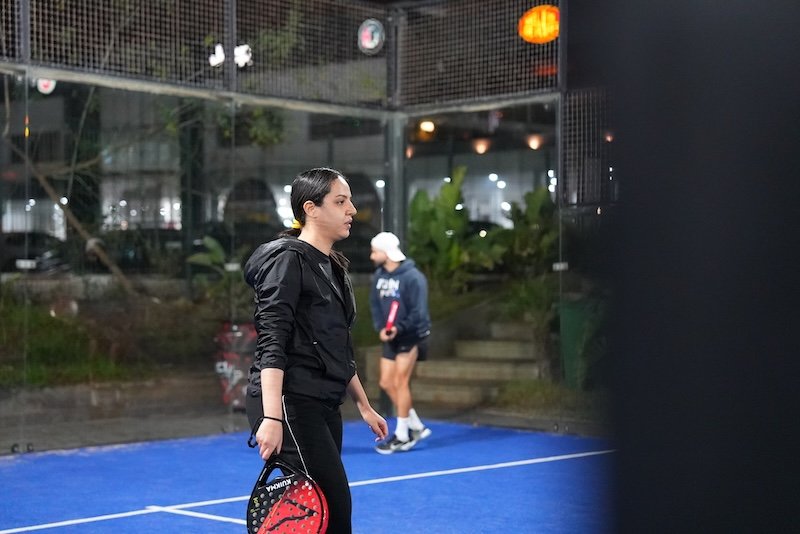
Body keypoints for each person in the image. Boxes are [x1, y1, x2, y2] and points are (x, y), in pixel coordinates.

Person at [244, 167, 388, 533]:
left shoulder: (333, 266)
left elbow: (336, 346)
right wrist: (271, 417)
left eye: (349, 201)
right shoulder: (287, 261)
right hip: (290, 402)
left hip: (322, 402)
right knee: (335, 512)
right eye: (340, 202)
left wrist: (364, 405)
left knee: (319, 515)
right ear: (311, 208)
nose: (352, 210)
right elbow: (272, 341)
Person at [369, 231, 433, 454]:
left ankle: (403, 435)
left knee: (400, 381)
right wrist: (382, 328)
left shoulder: (414, 277)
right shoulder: (379, 276)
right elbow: (375, 305)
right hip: (391, 336)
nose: (371, 256)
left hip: (411, 335)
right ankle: (416, 426)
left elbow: (419, 313)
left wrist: (399, 328)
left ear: (386, 253)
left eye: (375, 252)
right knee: (386, 382)